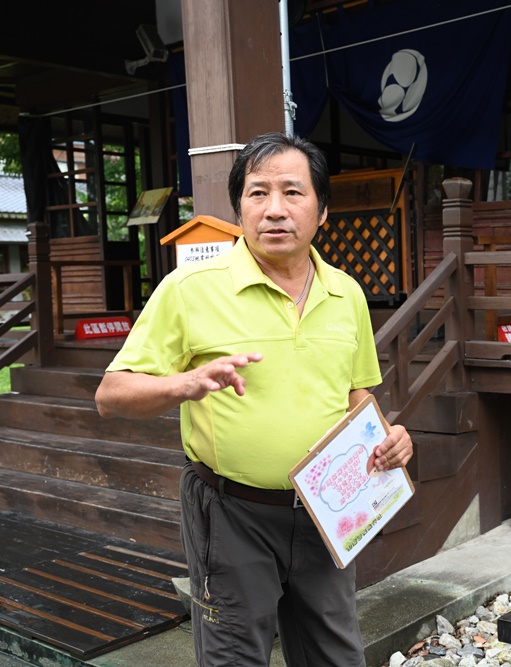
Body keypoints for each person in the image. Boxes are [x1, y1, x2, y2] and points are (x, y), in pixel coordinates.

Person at [95, 132, 413, 667]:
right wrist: (186, 385)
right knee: (234, 658)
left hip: (324, 509)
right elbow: (111, 395)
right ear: (239, 208)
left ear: (322, 211)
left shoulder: (346, 293)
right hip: (230, 511)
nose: (274, 210)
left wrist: (388, 438)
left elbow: (356, 391)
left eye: (292, 193)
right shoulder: (190, 289)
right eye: (257, 193)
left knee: (336, 656)